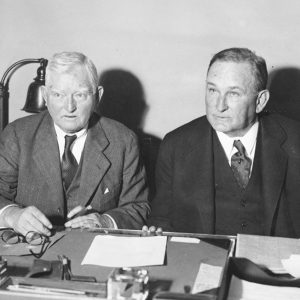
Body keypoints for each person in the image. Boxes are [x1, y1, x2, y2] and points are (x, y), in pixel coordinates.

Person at [147, 47, 300, 238]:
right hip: (204, 261)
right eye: (212, 90)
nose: (219, 106)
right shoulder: (176, 145)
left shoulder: (295, 140)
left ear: (260, 101)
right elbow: (161, 220)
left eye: (233, 93)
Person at [0, 51, 150, 237]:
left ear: (97, 96)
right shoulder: (17, 136)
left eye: (80, 95)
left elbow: (138, 207)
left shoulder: (124, 141)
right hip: (32, 252)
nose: (69, 107)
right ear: (45, 96)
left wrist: (105, 221)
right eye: (58, 95)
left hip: (94, 253)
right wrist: (11, 215)